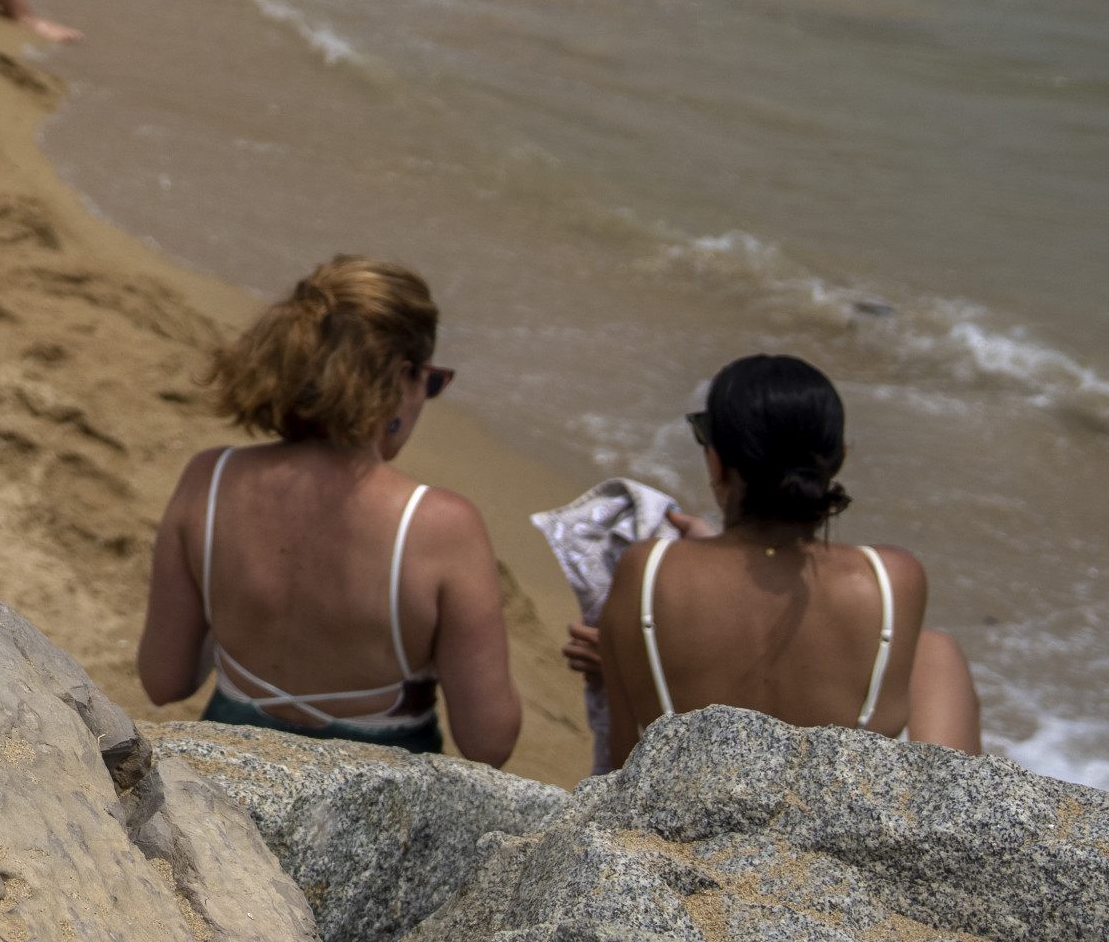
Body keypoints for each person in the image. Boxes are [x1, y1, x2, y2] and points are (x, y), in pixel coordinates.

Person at [134, 257, 520, 763]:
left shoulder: (209, 479)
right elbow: (488, 741)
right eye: (430, 382)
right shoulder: (438, 525)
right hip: (378, 809)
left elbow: (164, 680)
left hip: (226, 781)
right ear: (401, 379)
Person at [582, 355, 981, 767]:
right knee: (936, 651)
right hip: (839, 824)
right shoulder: (891, 579)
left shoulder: (648, 572)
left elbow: (623, 763)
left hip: (680, 819)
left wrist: (622, 666)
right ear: (838, 458)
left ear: (717, 458)